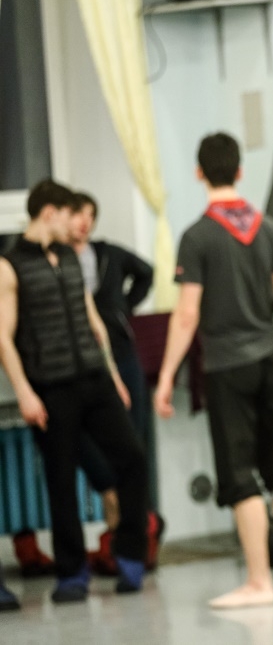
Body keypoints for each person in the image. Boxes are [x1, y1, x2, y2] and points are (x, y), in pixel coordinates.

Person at [154, 133, 273, 609]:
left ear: (199, 173)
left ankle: (259, 582)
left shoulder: (197, 237)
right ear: (240, 172)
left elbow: (187, 315)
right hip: (269, 359)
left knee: (239, 472)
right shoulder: (268, 230)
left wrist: (166, 376)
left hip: (226, 367)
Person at [0, 180, 149, 602]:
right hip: (51, 387)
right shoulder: (9, 265)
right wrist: (25, 392)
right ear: (50, 212)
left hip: (95, 378)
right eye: (71, 215)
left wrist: (114, 375)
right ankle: (71, 574)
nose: (77, 224)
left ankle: (131, 554)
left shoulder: (68, 256)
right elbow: (3, 336)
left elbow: (92, 319)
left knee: (133, 458)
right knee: (61, 479)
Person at [68, 192, 164, 574]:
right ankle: (119, 528)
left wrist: (124, 306)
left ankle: (138, 537)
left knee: (133, 442)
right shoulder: (58, 259)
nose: (84, 222)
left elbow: (147, 272)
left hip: (121, 353)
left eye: (90, 215)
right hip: (80, 361)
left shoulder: (106, 253)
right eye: (78, 214)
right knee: (94, 451)